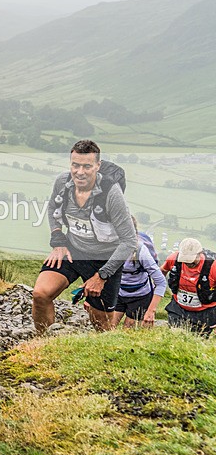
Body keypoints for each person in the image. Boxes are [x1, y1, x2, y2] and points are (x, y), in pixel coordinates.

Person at [32, 139, 137, 333]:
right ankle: (43, 344)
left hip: (104, 261)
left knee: (101, 325)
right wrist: (58, 240)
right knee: (40, 295)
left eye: (87, 166)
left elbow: (129, 241)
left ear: (98, 166)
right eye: (75, 165)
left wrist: (102, 276)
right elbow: (53, 207)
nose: (80, 172)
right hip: (73, 251)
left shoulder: (111, 194)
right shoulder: (63, 183)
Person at [111, 217, 167, 328]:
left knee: (128, 329)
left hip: (140, 296)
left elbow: (161, 282)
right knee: (107, 326)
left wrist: (151, 311)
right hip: (118, 291)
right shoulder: (109, 246)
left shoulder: (141, 251)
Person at [160, 237, 216, 336]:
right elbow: (162, 271)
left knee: (199, 343)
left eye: (191, 260)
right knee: (175, 337)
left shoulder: (213, 266)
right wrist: (160, 289)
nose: (188, 263)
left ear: (200, 253)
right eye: (185, 260)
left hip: (205, 312)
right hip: (178, 308)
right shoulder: (174, 259)